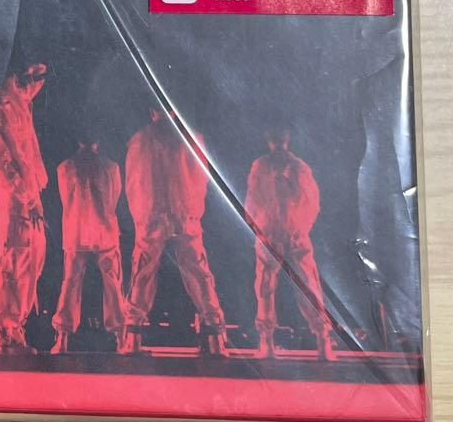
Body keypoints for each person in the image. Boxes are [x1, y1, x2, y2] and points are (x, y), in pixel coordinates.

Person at [121, 105, 228, 356]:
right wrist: (193, 210)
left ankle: (132, 338)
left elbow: (133, 181)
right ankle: (215, 337)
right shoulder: (191, 138)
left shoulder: (140, 139)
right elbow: (202, 177)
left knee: (142, 273)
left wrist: (141, 217)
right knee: (199, 274)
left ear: (152, 112)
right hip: (185, 214)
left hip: (152, 216)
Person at [0, 60, 48, 354]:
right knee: (15, 262)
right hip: (16, 195)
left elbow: (34, 82)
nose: (23, 81)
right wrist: (26, 196)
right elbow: (1, 162)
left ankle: (16, 329)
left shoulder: (16, 99)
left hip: (30, 193)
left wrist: (35, 71)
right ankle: (4, 335)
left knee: (33, 261)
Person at [244, 125, 333, 360]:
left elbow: (311, 202)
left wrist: (297, 228)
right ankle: (272, 342)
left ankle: (321, 340)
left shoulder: (294, 167)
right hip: (275, 234)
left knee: (302, 286)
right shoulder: (267, 166)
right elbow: (253, 200)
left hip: (288, 234)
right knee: (272, 287)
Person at [50, 134, 125, 354]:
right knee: (113, 284)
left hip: (76, 231)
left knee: (70, 283)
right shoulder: (111, 167)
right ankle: (121, 337)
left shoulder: (65, 168)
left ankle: (62, 338)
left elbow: (65, 200)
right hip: (104, 231)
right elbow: (114, 199)